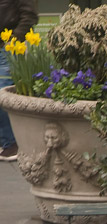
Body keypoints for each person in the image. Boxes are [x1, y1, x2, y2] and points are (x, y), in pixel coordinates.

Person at [0, 0, 38, 162]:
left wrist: (12, 40)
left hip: (7, 48)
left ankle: (12, 144)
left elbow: (29, 16)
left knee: (4, 93)